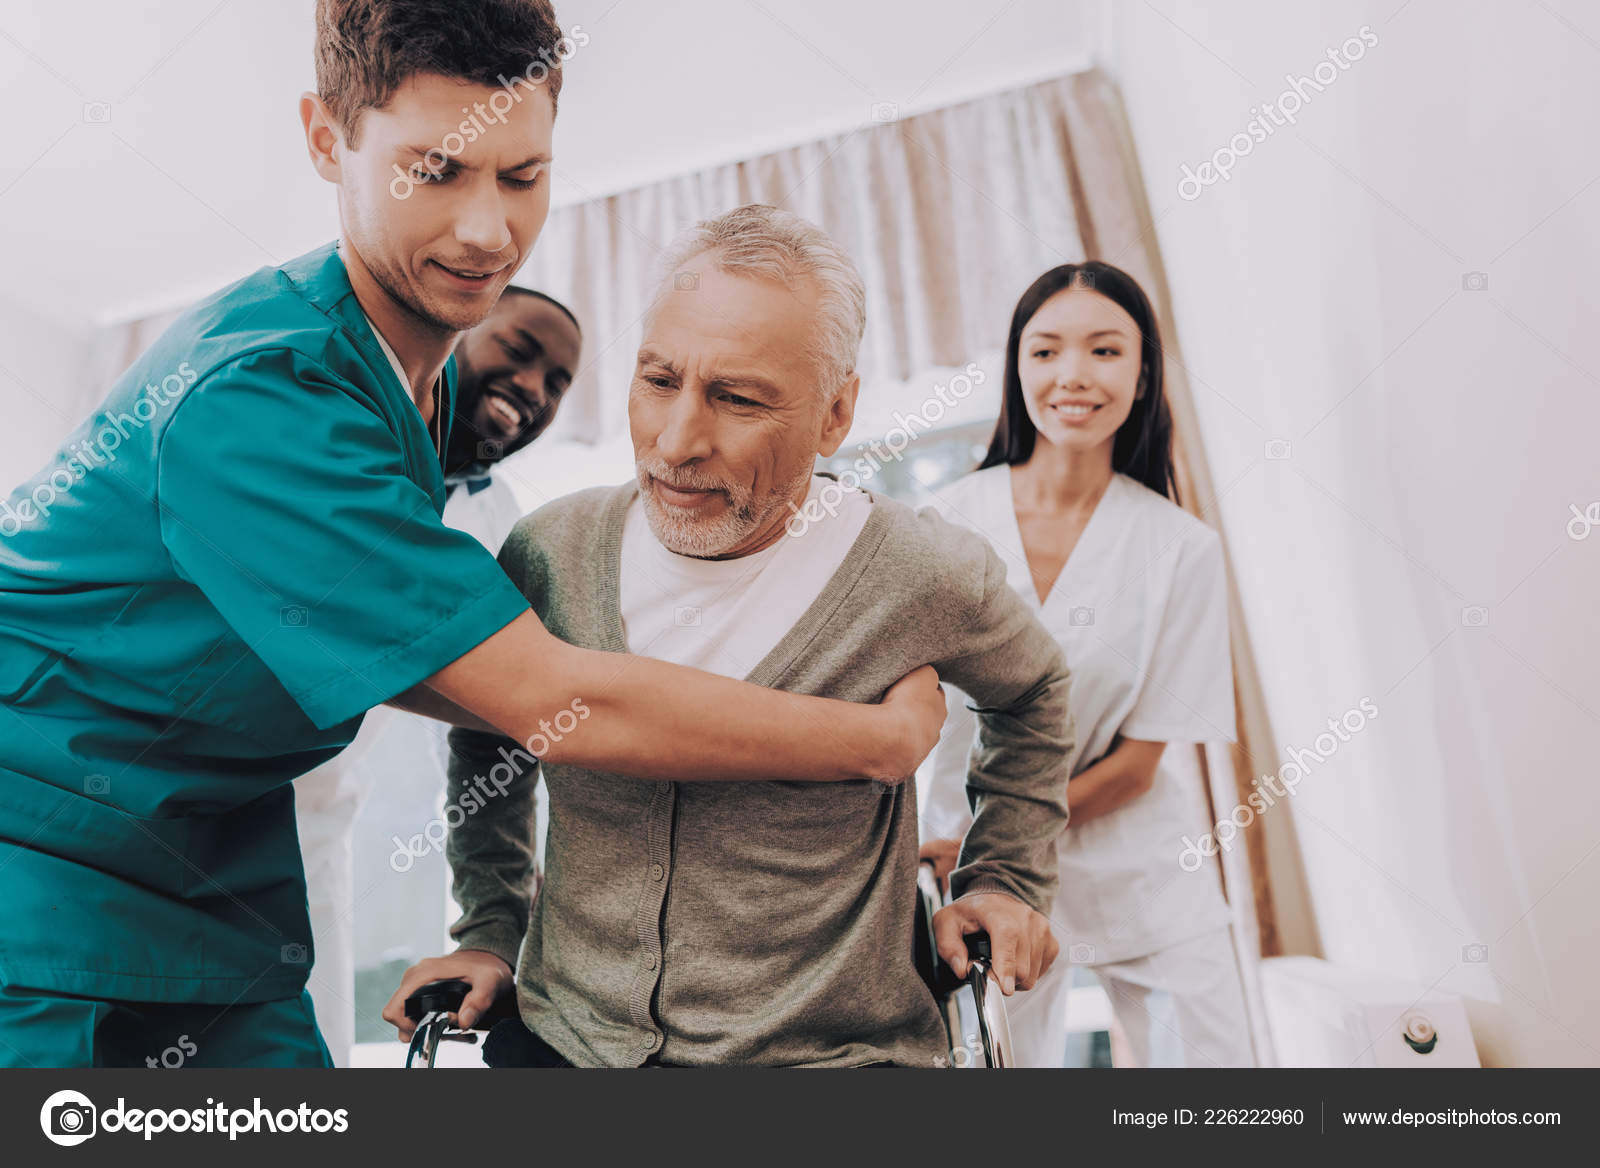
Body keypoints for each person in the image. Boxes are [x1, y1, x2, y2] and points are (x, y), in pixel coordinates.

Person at [0, 1, 946, 1070]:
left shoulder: (419, 402)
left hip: (210, 874)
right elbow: (539, 697)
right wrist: (872, 742)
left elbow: (444, 665)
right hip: (40, 875)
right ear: (327, 140)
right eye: (435, 171)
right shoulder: (261, 398)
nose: (488, 231)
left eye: (521, 176)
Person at [382, 205, 1073, 1067]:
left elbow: (1036, 694)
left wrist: (1003, 879)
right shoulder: (551, 552)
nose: (676, 442)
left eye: (737, 398)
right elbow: (495, 733)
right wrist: (489, 928)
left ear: (835, 415)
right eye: (658, 380)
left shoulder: (919, 572)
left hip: (831, 1063)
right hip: (570, 1042)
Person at [919, 261, 1253, 1068]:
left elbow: (1140, 765)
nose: (1073, 376)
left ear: (1142, 378)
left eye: (1105, 351)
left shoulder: (1182, 548)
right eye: (1045, 352)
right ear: (1017, 369)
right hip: (978, 876)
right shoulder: (944, 526)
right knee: (1002, 1066)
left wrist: (980, 838)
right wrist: (960, 852)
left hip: (1132, 862)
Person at [295, 285, 580, 1066]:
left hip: (319, 826)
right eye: (518, 352)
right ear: (449, 332)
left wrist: (495, 923)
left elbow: (504, 731)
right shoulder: (343, 439)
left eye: (557, 384)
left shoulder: (507, 526)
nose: (533, 389)